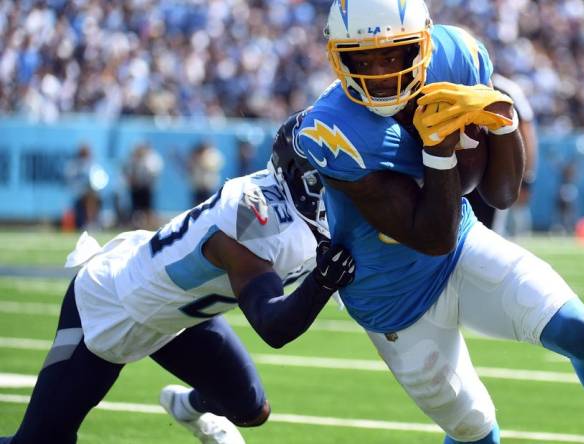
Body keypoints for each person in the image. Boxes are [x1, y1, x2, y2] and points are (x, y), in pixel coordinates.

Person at [296, 1, 584, 444]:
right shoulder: (332, 129)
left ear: (423, 46)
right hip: (392, 295)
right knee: (475, 431)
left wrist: (502, 120)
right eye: (362, 58)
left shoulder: (457, 56)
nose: (378, 71)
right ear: (338, 57)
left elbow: (502, 193)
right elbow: (432, 236)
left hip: (462, 247)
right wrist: (437, 151)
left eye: (392, 54)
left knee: (583, 333)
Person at [0, 113, 355, 444]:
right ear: (303, 177)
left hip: (181, 317)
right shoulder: (251, 219)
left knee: (251, 409)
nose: (348, 185)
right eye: (335, 177)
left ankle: (186, 408)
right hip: (112, 305)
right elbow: (272, 325)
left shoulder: (300, 214)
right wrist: (322, 282)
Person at [466, 72, 539, 237]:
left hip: (493, 170)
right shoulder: (458, 80)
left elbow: (526, 130)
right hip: (463, 167)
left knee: (490, 231)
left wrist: (526, 177)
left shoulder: (506, 88)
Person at [123, 142, 164, 229]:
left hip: (146, 187)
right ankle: (137, 225)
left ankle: (151, 226)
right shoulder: (133, 159)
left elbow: (153, 172)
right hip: (135, 187)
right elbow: (127, 172)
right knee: (135, 209)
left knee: (148, 208)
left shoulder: (151, 159)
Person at [188, 141, 225, 206]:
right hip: (198, 189)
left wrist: (201, 158)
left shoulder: (211, 156)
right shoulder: (195, 158)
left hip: (209, 189)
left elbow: (213, 165)